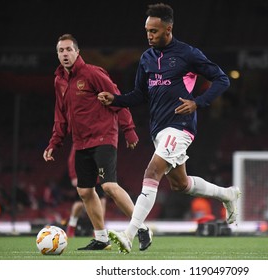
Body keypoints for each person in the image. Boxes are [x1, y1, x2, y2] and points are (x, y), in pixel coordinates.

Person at [98, 3, 241, 254]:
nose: (149, 36)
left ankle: (129, 234)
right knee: (181, 185)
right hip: (158, 129)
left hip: (180, 126)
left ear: (168, 29)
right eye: (147, 31)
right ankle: (228, 195)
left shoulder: (187, 54)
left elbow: (222, 79)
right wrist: (116, 100)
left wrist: (198, 102)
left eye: (154, 31)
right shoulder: (146, 58)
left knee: (152, 172)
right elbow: (140, 94)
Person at [43, 34, 152, 251]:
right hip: (80, 142)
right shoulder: (59, 81)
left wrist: (128, 130)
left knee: (109, 186)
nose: (65, 54)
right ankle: (101, 238)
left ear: (77, 52)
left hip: (103, 136)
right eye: (61, 51)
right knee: (84, 191)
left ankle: (142, 228)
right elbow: (60, 115)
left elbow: (116, 97)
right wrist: (54, 143)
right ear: (57, 54)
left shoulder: (93, 73)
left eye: (68, 50)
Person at [66, 145, 107, 238]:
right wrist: (73, 176)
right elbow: (72, 159)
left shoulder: (102, 141)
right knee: (79, 204)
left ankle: (98, 229)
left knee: (102, 202)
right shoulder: (82, 139)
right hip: (85, 176)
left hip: (98, 179)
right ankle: (71, 225)